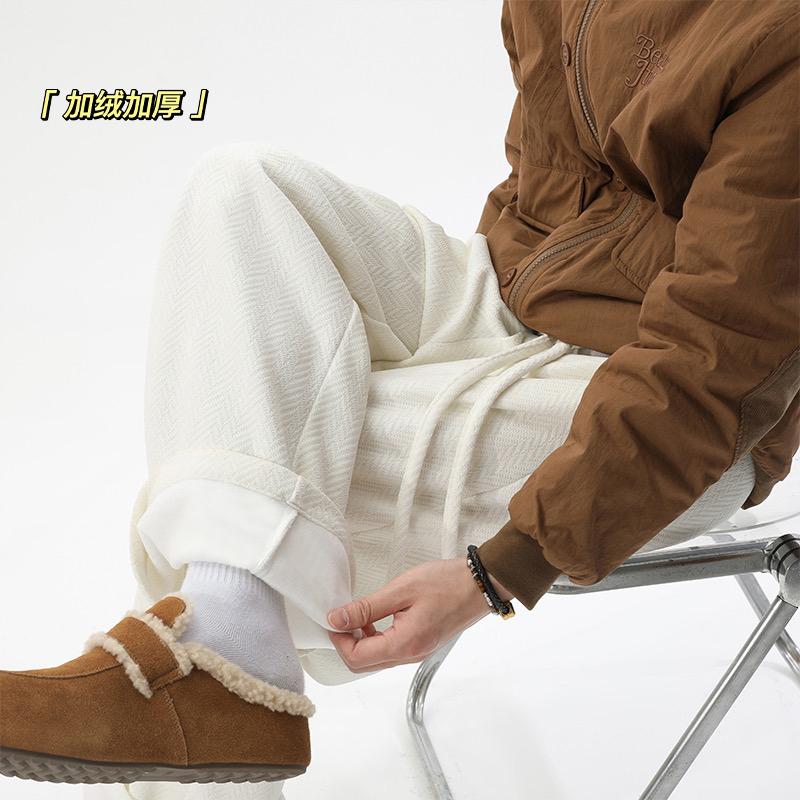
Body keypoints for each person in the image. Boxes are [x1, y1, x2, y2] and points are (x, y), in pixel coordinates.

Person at [1, 1, 797, 798]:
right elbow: (548, 169)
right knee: (239, 189)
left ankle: (215, 662)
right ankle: (225, 647)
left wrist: (499, 572)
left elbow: (716, 361)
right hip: (521, 293)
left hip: (686, 410)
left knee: (249, 449)